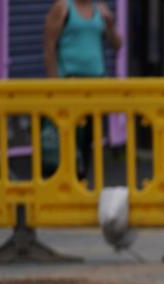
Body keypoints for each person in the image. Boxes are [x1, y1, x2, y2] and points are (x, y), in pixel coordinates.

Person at [42, 0, 122, 180]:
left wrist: (110, 25)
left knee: (88, 137)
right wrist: (54, 84)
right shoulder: (63, 8)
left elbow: (117, 45)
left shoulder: (100, 9)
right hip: (69, 82)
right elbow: (49, 46)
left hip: (95, 84)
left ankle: (81, 179)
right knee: (68, 136)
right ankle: (61, 181)